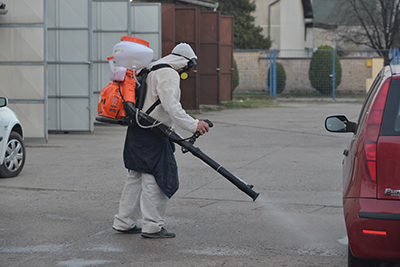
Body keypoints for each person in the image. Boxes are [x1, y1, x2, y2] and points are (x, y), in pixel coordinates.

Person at [112, 43, 210, 238]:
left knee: (135, 177)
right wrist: (194, 124)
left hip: (137, 130)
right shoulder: (169, 74)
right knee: (154, 179)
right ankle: (152, 226)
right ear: (185, 63)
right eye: (189, 68)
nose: (187, 72)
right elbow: (171, 106)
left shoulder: (149, 69)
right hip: (152, 132)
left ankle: (123, 222)